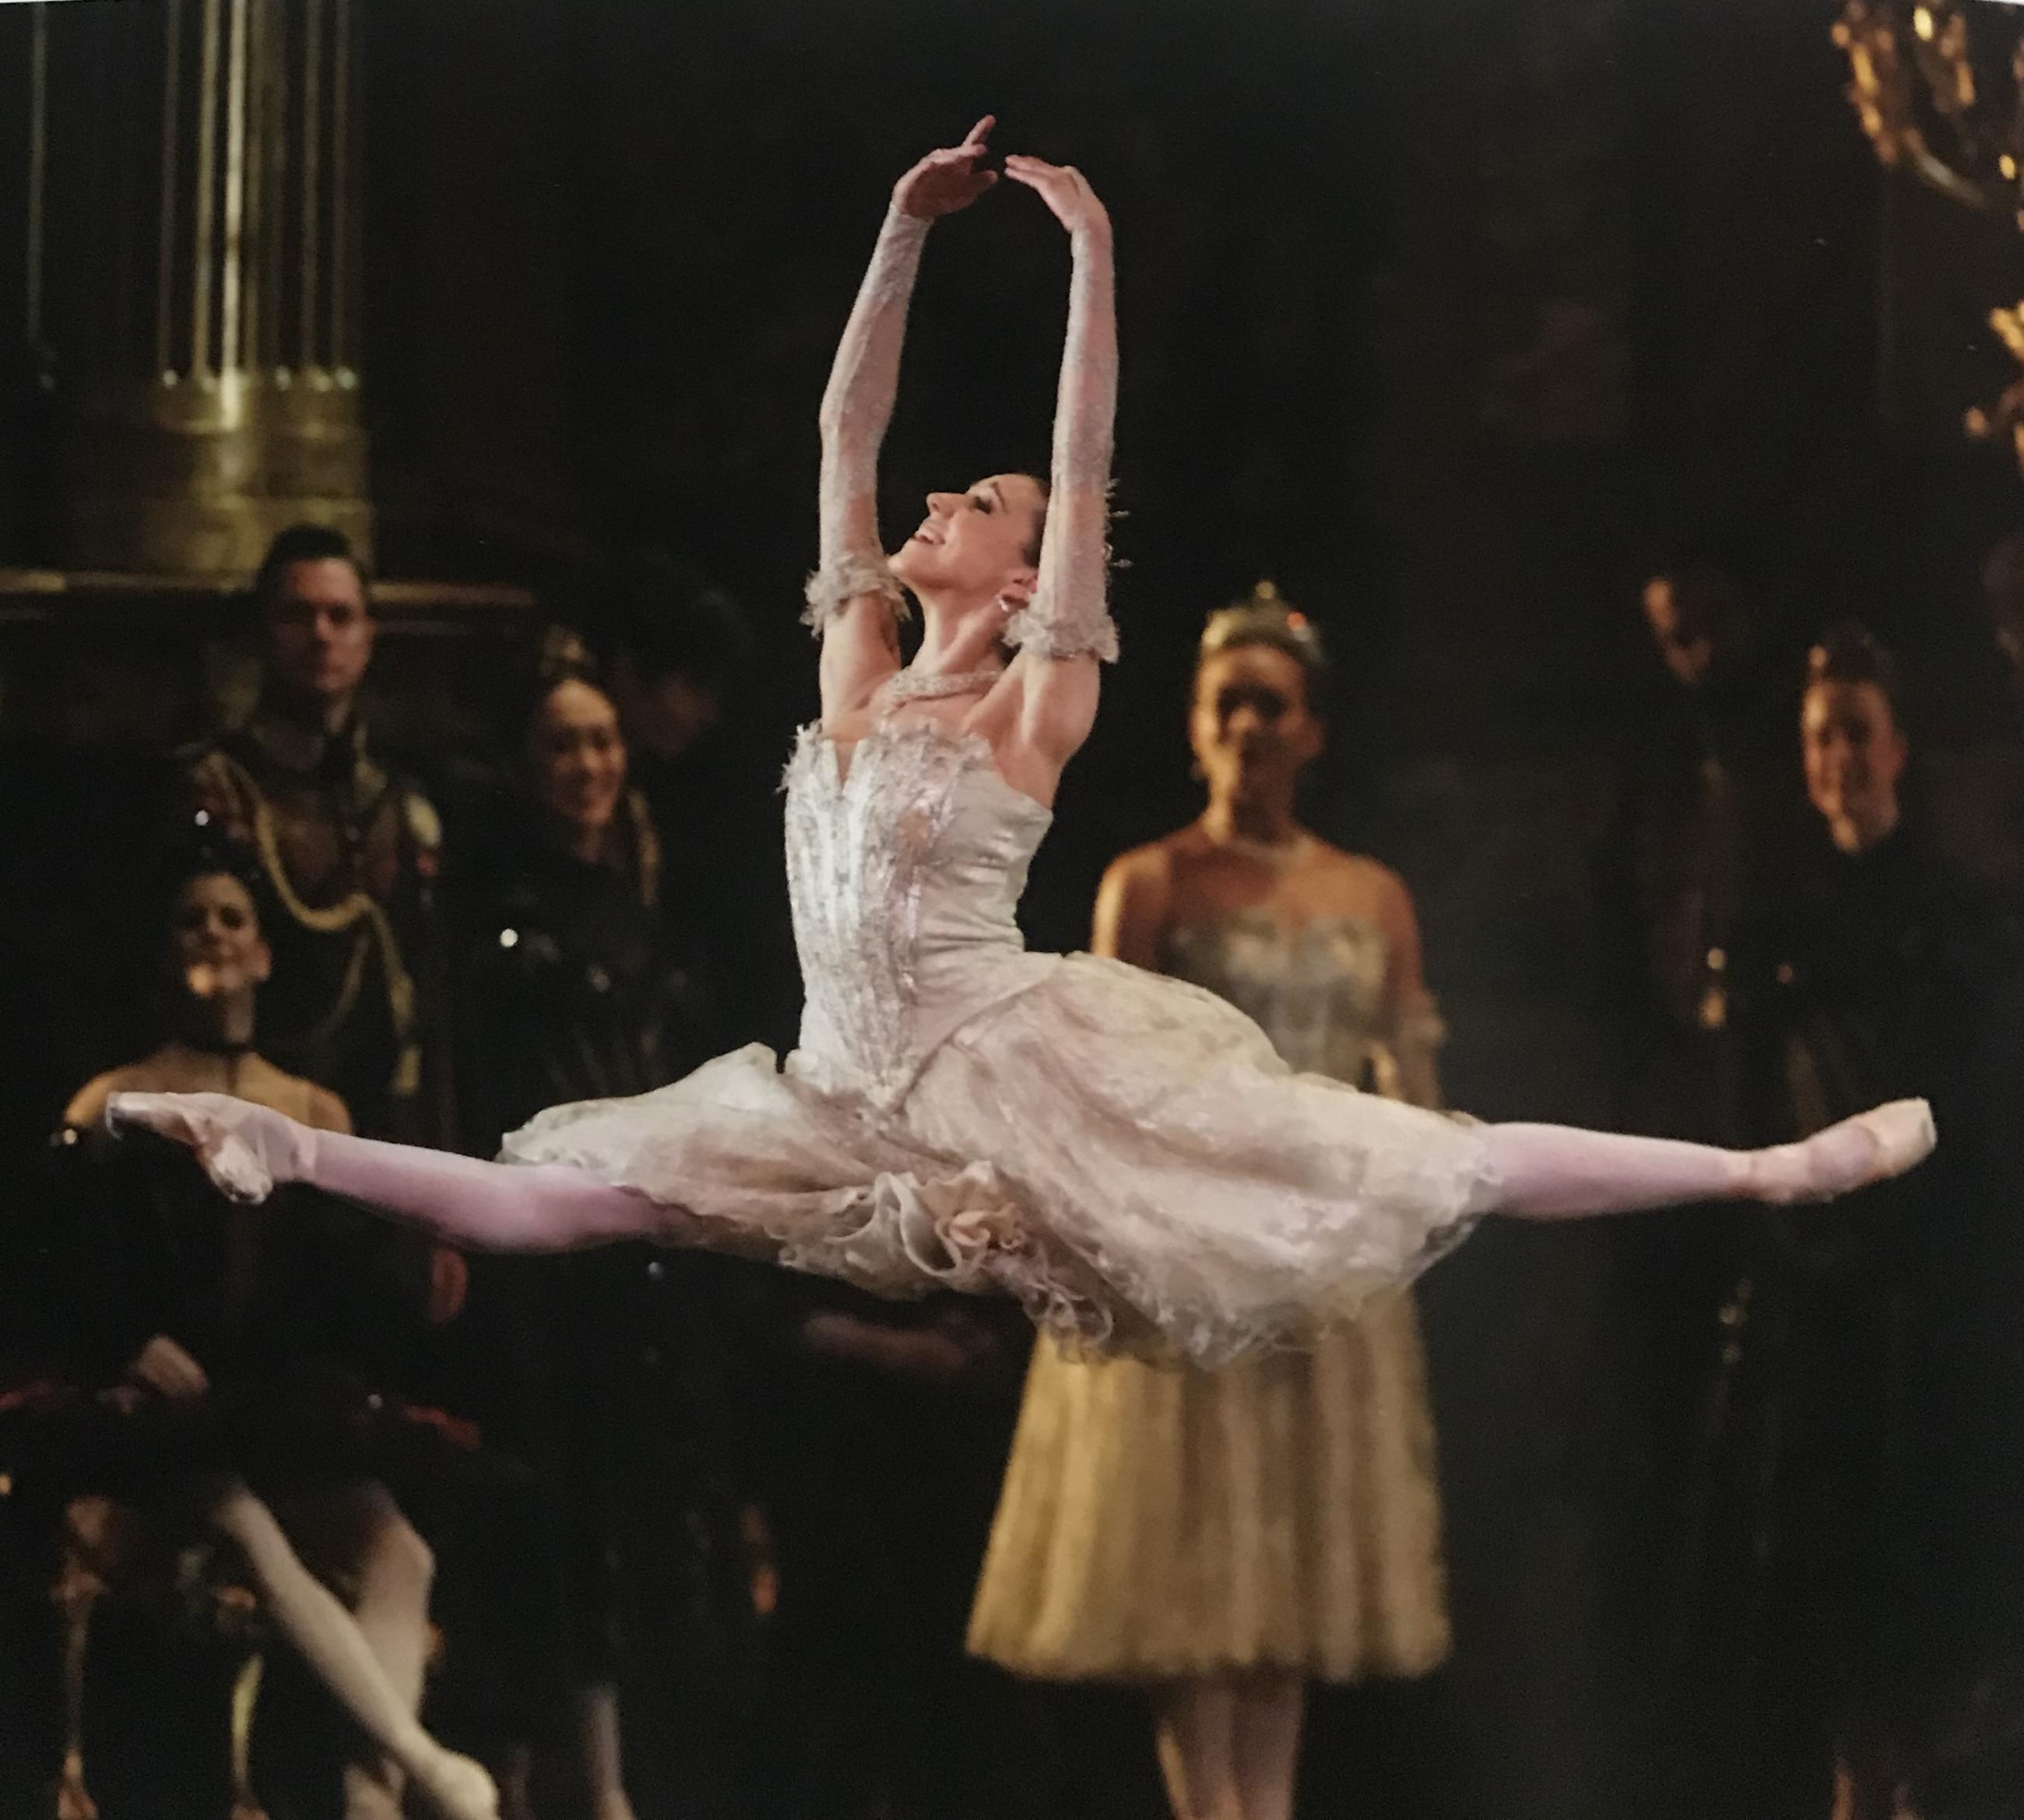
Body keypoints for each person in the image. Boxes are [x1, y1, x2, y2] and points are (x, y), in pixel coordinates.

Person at [107, 123, 1934, 1373]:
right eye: (954, 490)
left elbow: (1076, 461)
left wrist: (1092, 256)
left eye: (973, 503)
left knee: (1391, 1153)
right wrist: (902, 232)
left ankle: (1761, 1173)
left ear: (1024, 561)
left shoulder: (1031, 705)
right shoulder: (851, 675)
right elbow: (842, 422)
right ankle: (275, 1147)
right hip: (836, 1085)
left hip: (1004, 1073)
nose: (934, 500)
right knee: (580, 1204)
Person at [969, 593, 1452, 1820]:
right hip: (1191, 1251)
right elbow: (1104, 1075)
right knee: (1193, 1563)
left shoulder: (1372, 894)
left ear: (1312, 730)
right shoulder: (1152, 883)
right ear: (1195, 726)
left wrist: (1409, 1183)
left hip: (1319, 1262)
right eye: (1224, 703)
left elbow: (1409, 1078)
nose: (1247, 725)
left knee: (1286, 1562)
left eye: (1270, 704)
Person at [33, 848, 491, 1820]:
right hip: (160, 1400)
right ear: (168, 952)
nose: (214, 935)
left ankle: (373, 1798)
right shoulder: (113, 1097)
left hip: (268, 1388)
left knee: (400, 1548)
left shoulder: (311, 1108)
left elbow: (331, 1278)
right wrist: (127, 1343)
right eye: (193, 918)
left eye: (234, 919)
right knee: (235, 1511)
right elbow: (68, 1254)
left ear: (266, 955)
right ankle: (424, 1761)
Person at [1694, 626, 2024, 1818]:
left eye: (1856, 733)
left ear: (1896, 750)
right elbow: (1743, 1114)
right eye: (1820, 736)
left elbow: (1983, 1106)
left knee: (1932, 1608)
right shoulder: (1778, 924)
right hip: (1816, 1306)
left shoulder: (1964, 921)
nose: (1838, 756)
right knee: (1832, 1607)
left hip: (1932, 1304)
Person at [452, 648, 753, 1820]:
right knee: (553, 1504)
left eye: (600, 742)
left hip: (649, 1255)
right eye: (561, 745)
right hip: (547, 1251)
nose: (586, 764)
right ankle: (565, 1780)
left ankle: (638, 1778)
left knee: (650, 1505)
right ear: (529, 768)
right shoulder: (501, 920)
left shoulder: (649, 915)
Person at [177, 525, 452, 1142]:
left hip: (383, 1123)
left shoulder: (399, 804)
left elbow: (430, 1002)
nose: (321, 634)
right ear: (264, 634)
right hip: (262, 1117)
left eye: (340, 615)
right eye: (298, 615)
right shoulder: (221, 791)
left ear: (367, 637)